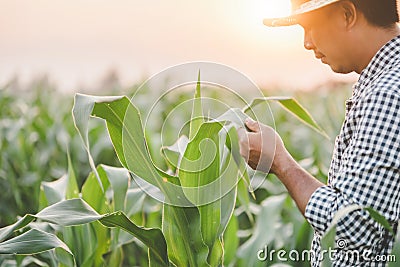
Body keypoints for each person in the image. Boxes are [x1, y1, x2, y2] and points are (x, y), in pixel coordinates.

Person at [238, 0, 400, 266]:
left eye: (310, 27)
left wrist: (280, 161)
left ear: (347, 14)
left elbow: (351, 229)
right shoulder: (382, 83)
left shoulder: (386, 94)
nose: (307, 43)